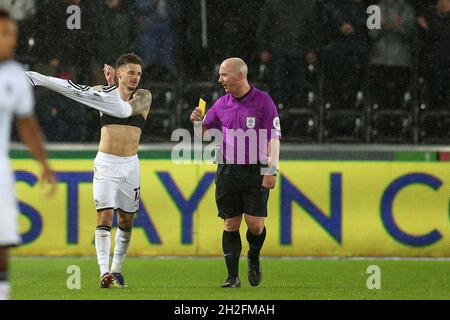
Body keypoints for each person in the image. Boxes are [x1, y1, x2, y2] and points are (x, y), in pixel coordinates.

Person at [26, 53, 152, 288]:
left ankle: (117, 269)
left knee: (126, 220)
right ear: (120, 72)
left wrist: (110, 87)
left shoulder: (144, 96)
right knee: (105, 216)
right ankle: (104, 272)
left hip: (130, 165)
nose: (135, 78)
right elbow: (79, 92)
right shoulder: (101, 93)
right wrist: (108, 87)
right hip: (106, 163)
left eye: (139, 74)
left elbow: (125, 109)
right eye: (131, 72)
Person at [190, 58, 281, 288]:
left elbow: (274, 138)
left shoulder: (263, 101)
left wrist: (271, 169)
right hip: (228, 169)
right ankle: (232, 277)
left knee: (254, 225)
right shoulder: (221, 103)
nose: (220, 80)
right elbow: (203, 134)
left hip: (255, 170)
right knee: (230, 224)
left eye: (224, 75)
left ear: (239, 76)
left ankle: (253, 256)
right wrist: (197, 123)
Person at [0, 9, 57, 300]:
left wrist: (44, 162)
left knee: (2, 245)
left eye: (12, 34)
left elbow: (27, 124)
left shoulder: (14, 76)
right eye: (4, 34)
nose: (10, 40)